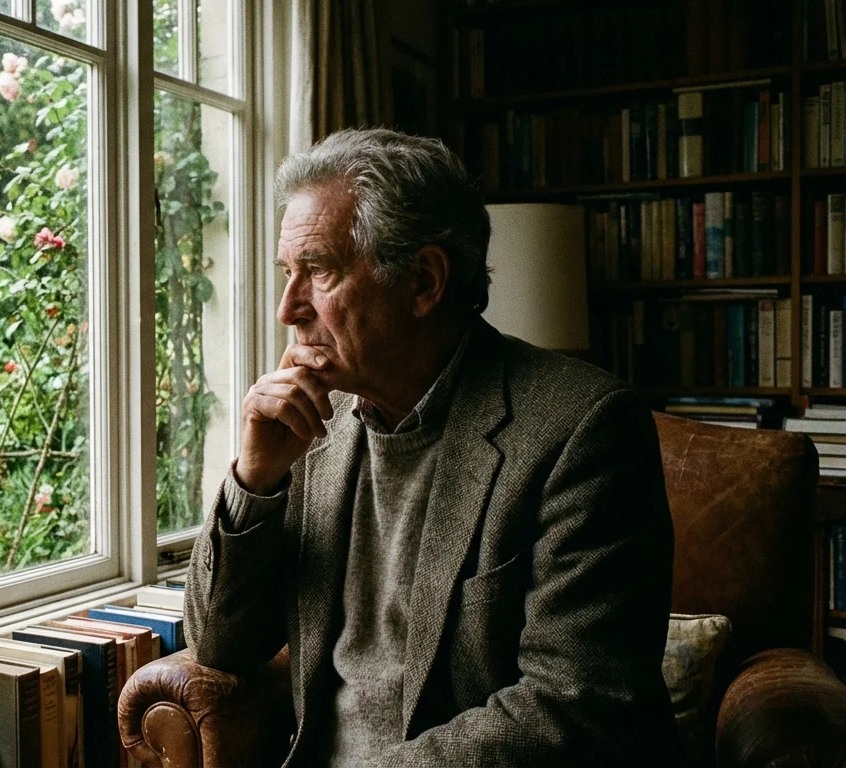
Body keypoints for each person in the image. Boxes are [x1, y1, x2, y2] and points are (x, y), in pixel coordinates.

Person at [183, 128, 679, 766]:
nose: (287, 309)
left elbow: (576, 701)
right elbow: (219, 645)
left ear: (423, 280)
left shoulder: (584, 428)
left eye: (320, 270)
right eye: (287, 273)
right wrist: (255, 481)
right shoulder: (310, 420)